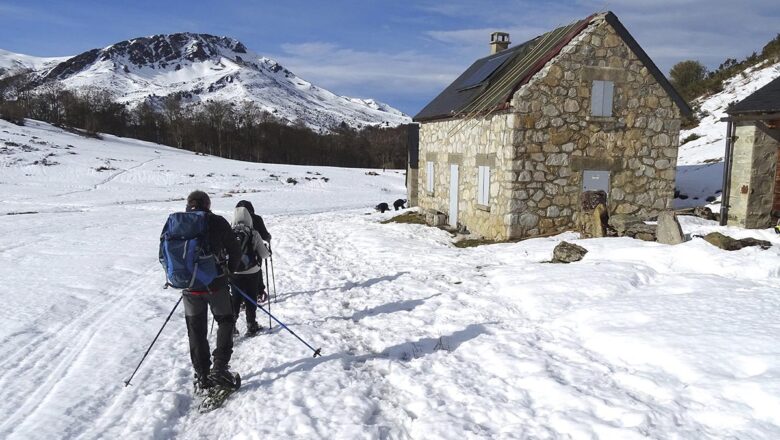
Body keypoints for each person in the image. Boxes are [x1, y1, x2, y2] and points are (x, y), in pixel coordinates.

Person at [180, 190, 241, 390]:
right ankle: (220, 367)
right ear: (207, 204)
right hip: (216, 283)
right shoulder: (216, 221)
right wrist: (229, 272)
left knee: (195, 329)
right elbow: (235, 250)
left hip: (189, 286)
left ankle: (202, 374)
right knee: (225, 320)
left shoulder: (178, 223)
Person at [231, 205, 271, 335]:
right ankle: (251, 324)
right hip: (252, 271)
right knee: (251, 298)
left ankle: (231, 326)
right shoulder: (253, 233)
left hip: (234, 272)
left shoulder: (228, 232)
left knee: (235, 299)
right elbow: (264, 254)